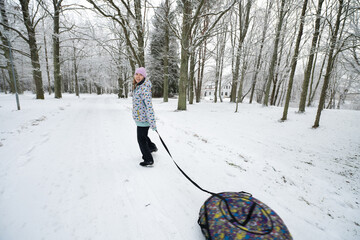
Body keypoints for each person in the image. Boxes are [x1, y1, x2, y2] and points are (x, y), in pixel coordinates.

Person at [132, 67, 158, 167]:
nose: (138, 76)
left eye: (140, 74)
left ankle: (148, 159)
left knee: (141, 139)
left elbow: (149, 107)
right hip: (140, 118)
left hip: (143, 119)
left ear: (144, 76)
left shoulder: (144, 89)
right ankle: (151, 147)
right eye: (136, 74)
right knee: (144, 136)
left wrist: (152, 123)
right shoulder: (139, 86)